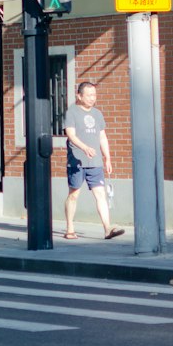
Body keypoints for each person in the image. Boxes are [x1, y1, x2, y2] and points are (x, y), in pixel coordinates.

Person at [63, 81, 125, 241]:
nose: (92, 98)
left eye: (94, 95)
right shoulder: (72, 112)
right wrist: (85, 148)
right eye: (89, 95)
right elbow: (71, 134)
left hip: (95, 163)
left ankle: (107, 228)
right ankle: (70, 228)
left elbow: (102, 137)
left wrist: (108, 158)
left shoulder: (97, 114)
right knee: (74, 195)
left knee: (100, 194)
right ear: (79, 96)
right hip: (77, 162)